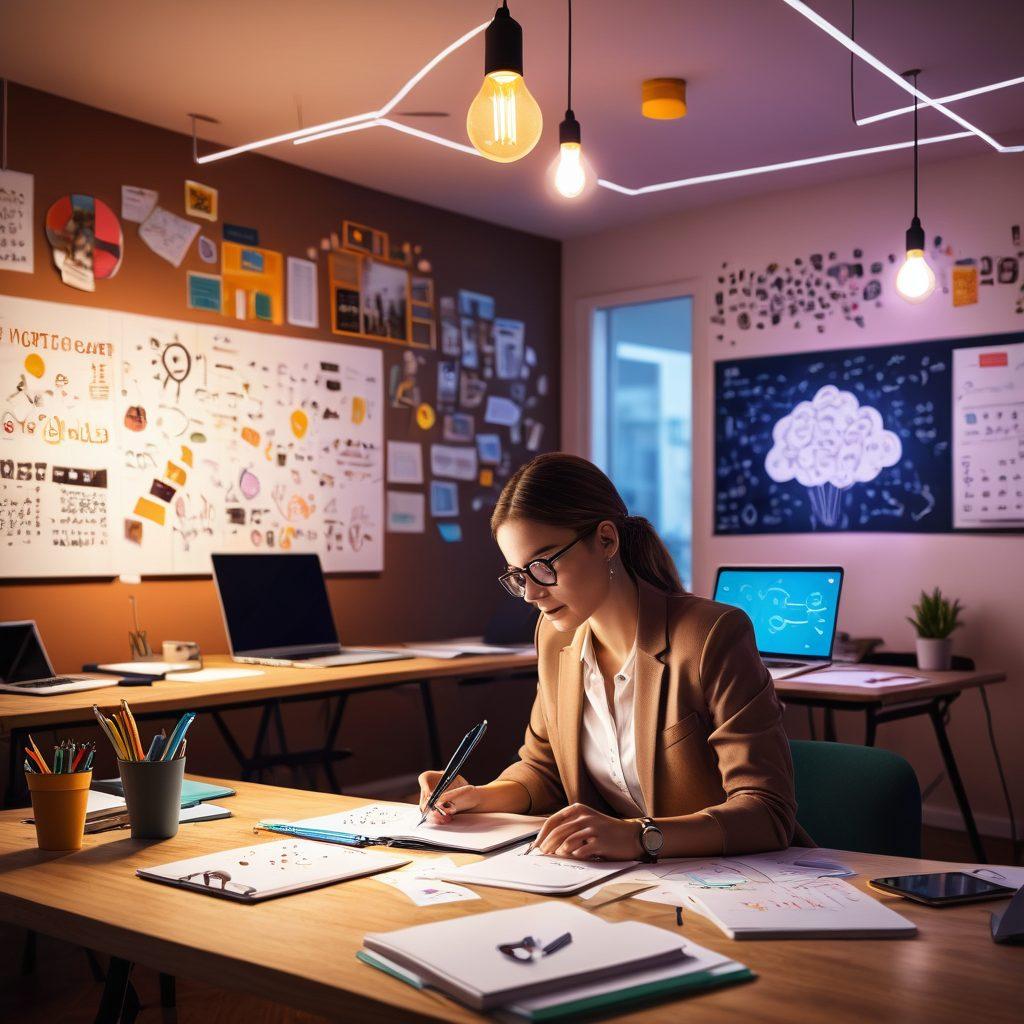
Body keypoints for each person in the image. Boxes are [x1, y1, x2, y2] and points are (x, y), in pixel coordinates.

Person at [418, 452, 810, 860]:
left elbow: (767, 812)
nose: (531, 593)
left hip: (735, 878)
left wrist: (638, 836)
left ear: (606, 540)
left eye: (542, 565)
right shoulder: (555, 639)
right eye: (519, 575)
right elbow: (544, 770)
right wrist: (478, 796)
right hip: (622, 879)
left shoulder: (711, 635)